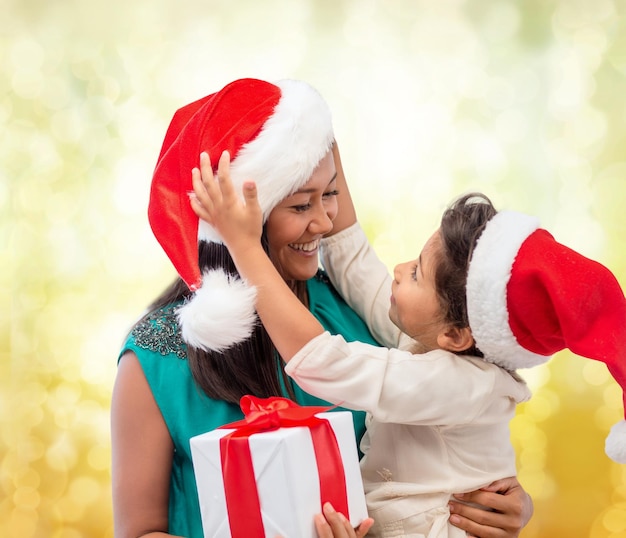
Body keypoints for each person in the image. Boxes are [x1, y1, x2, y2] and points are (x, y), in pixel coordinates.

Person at [111, 77, 534, 538]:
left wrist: (497, 500)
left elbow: (440, 453)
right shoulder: (156, 355)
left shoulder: (355, 313)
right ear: (236, 223)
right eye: (300, 205)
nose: (325, 220)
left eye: (330, 193)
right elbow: (138, 531)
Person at [190, 148, 626, 537]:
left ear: (456, 335)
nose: (398, 269)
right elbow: (353, 258)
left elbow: (326, 364)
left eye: (417, 272)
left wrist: (244, 246)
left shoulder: (461, 384)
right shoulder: (440, 341)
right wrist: (319, 134)